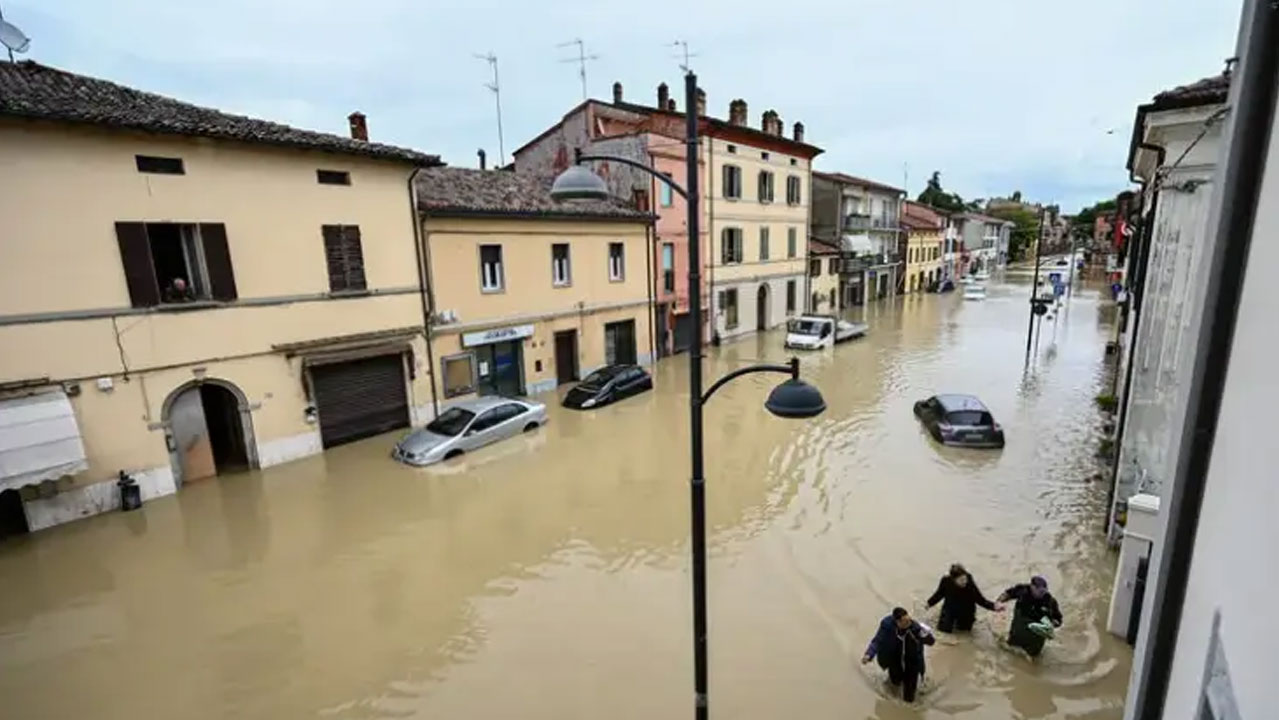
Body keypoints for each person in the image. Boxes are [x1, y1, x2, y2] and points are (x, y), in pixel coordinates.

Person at [861, 607, 935, 703]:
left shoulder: (916, 628)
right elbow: (878, 641)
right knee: (895, 683)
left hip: (912, 661)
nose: (908, 623)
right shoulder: (887, 625)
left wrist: (926, 635)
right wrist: (869, 654)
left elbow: (931, 642)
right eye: (905, 622)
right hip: (894, 658)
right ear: (897, 622)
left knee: (909, 697)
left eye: (909, 620)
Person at [997, 575, 1063, 657]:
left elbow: (1058, 620)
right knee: (1008, 653)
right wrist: (999, 603)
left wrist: (1054, 623)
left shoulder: (1050, 601)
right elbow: (1008, 594)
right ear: (1032, 587)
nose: (1041, 593)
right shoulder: (1022, 590)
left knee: (1033, 660)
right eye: (1039, 590)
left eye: (1043, 591)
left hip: (1035, 639)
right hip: (1017, 633)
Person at [925, 563, 1003, 633]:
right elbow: (939, 594)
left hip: (966, 609)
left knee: (964, 632)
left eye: (965, 579)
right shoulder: (946, 580)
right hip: (950, 608)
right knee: (944, 631)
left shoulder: (969, 582)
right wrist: (929, 603)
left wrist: (993, 606)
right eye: (961, 580)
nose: (964, 582)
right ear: (953, 579)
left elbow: (980, 599)